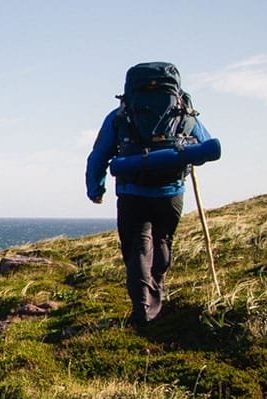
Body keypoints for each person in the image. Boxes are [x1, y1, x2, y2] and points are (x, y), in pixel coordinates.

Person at [85, 61, 217, 328]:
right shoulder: (185, 114)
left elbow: (98, 156)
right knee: (162, 241)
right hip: (171, 193)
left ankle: (142, 308)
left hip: (131, 191)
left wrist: (95, 189)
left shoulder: (120, 115)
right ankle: (156, 295)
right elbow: (207, 146)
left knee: (137, 248)